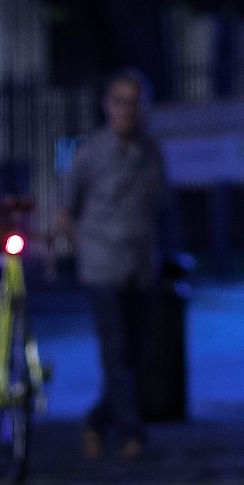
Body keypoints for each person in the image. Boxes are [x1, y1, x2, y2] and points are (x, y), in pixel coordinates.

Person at [58, 71, 169, 460]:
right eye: (120, 101)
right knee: (116, 350)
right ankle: (130, 431)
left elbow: (160, 205)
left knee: (136, 354)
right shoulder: (90, 152)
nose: (127, 110)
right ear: (108, 106)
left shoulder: (151, 151)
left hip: (139, 265)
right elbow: (65, 210)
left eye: (134, 102)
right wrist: (83, 249)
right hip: (103, 265)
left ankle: (96, 421)